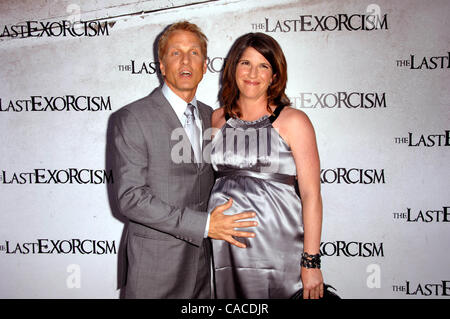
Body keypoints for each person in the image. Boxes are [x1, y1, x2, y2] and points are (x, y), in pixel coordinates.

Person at [112, 21, 256, 299]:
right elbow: (131, 197)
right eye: (175, 53)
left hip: (204, 268)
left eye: (194, 53)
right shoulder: (133, 118)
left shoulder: (212, 116)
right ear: (162, 65)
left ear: (204, 66)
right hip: (155, 267)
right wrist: (204, 226)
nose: (186, 60)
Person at [208, 32, 324, 299]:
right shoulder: (214, 119)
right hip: (224, 243)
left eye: (264, 65)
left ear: (274, 75)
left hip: (278, 245)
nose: (253, 73)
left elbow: (311, 195)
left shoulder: (294, 120)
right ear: (233, 67)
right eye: (245, 63)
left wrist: (311, 261)